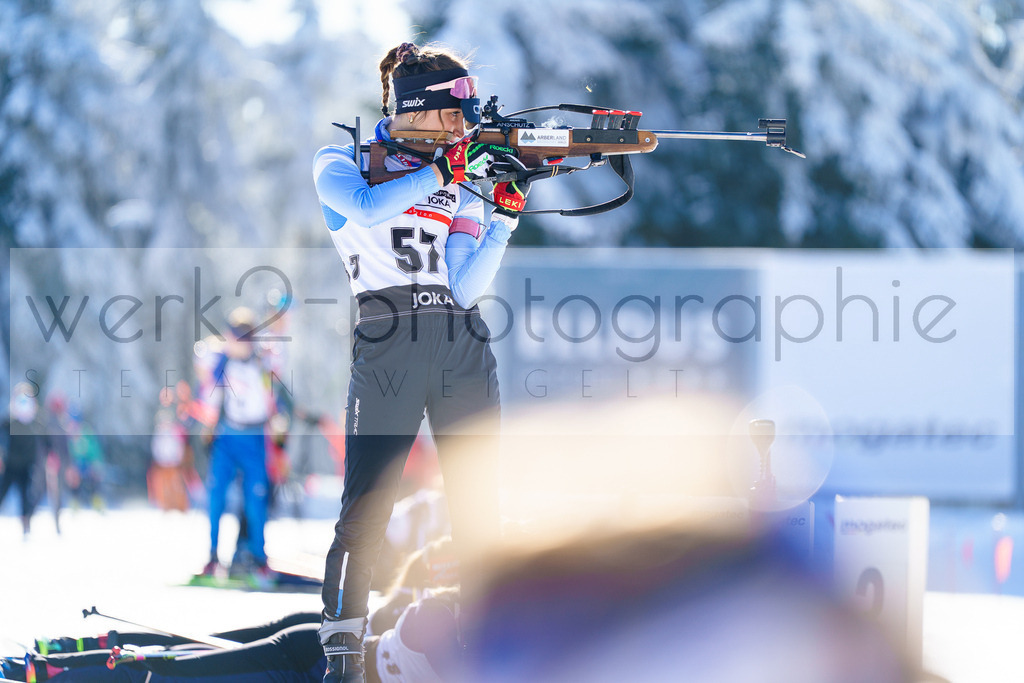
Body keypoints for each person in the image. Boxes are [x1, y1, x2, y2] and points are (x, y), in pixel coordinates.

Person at [312, 40, 528, 682]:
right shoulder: (342, 161)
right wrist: (449, 173)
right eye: (453, 113)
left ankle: (482, 646)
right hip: (388, 335)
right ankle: (344, 656)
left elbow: (463, 286)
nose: (462, 127)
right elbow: (368, 208)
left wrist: (502, 218)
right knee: (366, 509)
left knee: (478, 503)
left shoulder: (453, 178)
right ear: (417, 108)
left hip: (460, 337)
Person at [201, 306, 289, 579]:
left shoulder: (262, 363)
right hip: (227, 437)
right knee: (216, 496)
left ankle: (259, 558)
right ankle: (213, 556)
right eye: (232, 337)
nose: (234, 343)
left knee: (256, 499)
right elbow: (209, 395)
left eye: (240, 338)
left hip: (253, 438)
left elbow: (276, 394)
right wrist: (207, 428)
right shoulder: (222, 362)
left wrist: (279, 425)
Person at [0, 382, 47, 537]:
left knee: (26, 496)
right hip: (11, 465)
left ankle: (26, 525)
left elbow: (47, 441)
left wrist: (50, 457)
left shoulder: (36, 423)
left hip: (28, 466)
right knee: (2, 492)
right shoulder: (9, 423)